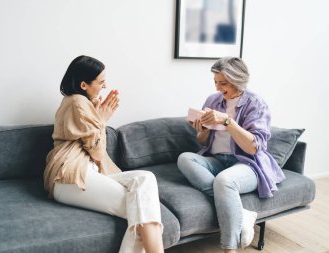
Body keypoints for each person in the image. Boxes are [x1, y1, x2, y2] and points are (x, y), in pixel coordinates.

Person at [44, 55, 164, 253]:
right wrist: (101, 120)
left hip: (83, 173)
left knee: (145, 179)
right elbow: (98, 153)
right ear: (84, 84)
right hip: (70, 177)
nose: (105, 85)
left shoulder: (79, 102)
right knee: (143, 207)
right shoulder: (77, 103)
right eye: (101, 82)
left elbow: (95, 150)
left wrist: (98, 118)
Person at [177, 57, 285, 252]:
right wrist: (202, 129)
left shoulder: (256, 104)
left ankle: (229, 248)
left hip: (248, 164)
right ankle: (242, 213)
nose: (218, 88)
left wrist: (228, 121)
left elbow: (254, 148)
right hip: (217, 160)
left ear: (238, 80)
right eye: (216, 82)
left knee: (224, 181)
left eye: (223, 83)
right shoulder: (213, 101)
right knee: (185, 158)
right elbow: (202, 141)